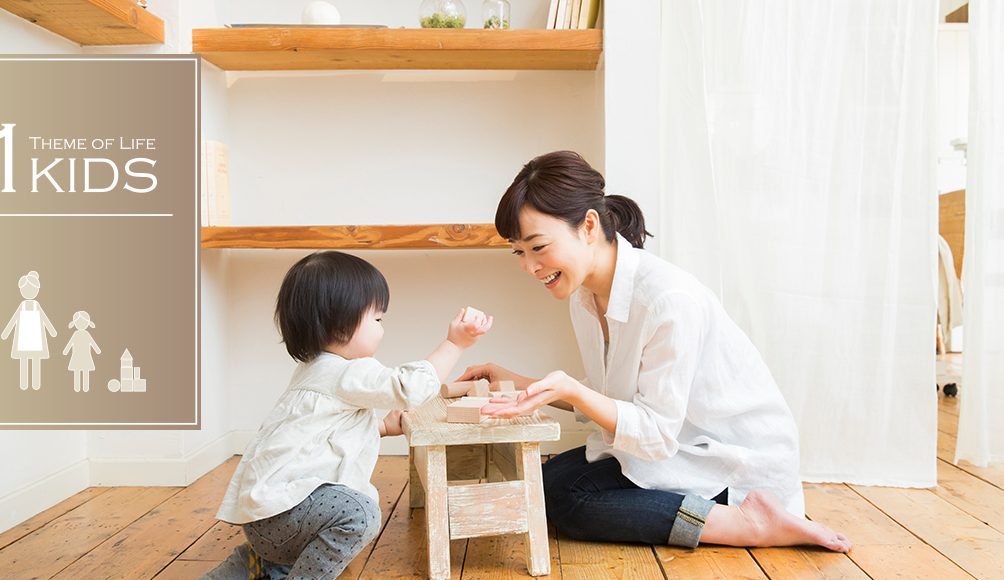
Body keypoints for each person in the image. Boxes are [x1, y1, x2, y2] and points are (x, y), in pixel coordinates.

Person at [457, 151, 850, 552]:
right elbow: (614, 393)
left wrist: (570, 389)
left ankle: (745, 522)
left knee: (570, 500)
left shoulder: (667, 300)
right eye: (518, 252)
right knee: (547, 482)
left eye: (538, 247)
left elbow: (656, 435)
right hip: (675, 444)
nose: (529, 266)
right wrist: (514, 381)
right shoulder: (585, 296)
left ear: (588, 226)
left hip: (731, 460)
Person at [201, 251, 493, 580]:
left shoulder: (313, 370)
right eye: (377, 319)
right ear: (341, 325)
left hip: (265, 519)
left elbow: (324, 434)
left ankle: (258, 564)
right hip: (283, 516)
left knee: (317, 523)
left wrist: (383, 426)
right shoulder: (346, 372)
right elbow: (409, 387)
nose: (382, 329)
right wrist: (455, 344)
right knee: (360, 513)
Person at [1, 271, 57, 390]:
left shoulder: (37, 306)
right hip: (23, 339)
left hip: (36, 339)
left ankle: (36, 384)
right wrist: (6, 332)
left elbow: (44, 319)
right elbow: (14, 319)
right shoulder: (22, 306)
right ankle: (24, 383)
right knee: (24, 360)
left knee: (35, 360)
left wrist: (51, 330)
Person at [63, 311, 101, 392]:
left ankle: (84, 387)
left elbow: (92, 343)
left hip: (83, 356)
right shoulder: (77, 334)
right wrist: (66, 351)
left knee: (83, 371)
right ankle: (78, 388)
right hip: (79, 356)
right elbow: (70, 343)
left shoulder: (85, 334)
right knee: (79, 371)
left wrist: (97, 350)